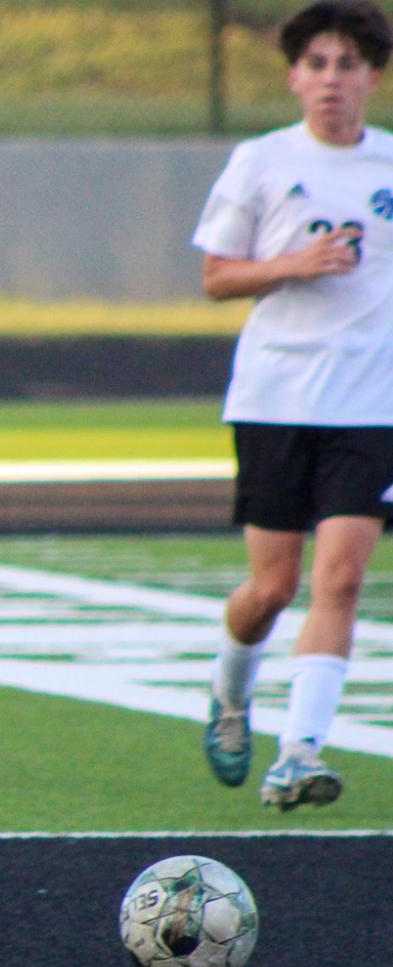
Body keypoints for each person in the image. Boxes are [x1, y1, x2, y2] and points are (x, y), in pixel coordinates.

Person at [194, 0, 393, 812]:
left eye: (347, 65)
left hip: (372, 403)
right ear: (292, 77)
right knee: (269, 589)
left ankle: (299, 752)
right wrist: (293, 262)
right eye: (316, 65)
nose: (330, 81)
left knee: (340, 578)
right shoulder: (260, 161)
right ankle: (229, 689)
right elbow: (215, 278)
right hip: (275, 395)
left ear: (372, 78)